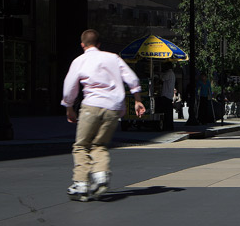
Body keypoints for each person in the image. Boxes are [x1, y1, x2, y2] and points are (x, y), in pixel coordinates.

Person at [61, 29, 145, 202]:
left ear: (82, 45)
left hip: (92, 105)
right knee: (99, 144)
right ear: (99, 44)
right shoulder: (113, 58)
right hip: (113, 107)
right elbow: (132, 78)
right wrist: (137, 100)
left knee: (82, 145)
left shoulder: (80, 60)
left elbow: (70, 86)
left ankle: (81, 183)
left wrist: (69, 107)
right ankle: (101, 176)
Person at [158, 63, 176, 131]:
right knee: (169, 112)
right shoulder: (172, 74)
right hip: (169, 95)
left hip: (166, 95)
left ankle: (167, 126)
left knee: (166, 113)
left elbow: (161, 80)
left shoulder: (168, 73)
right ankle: (170, 126)